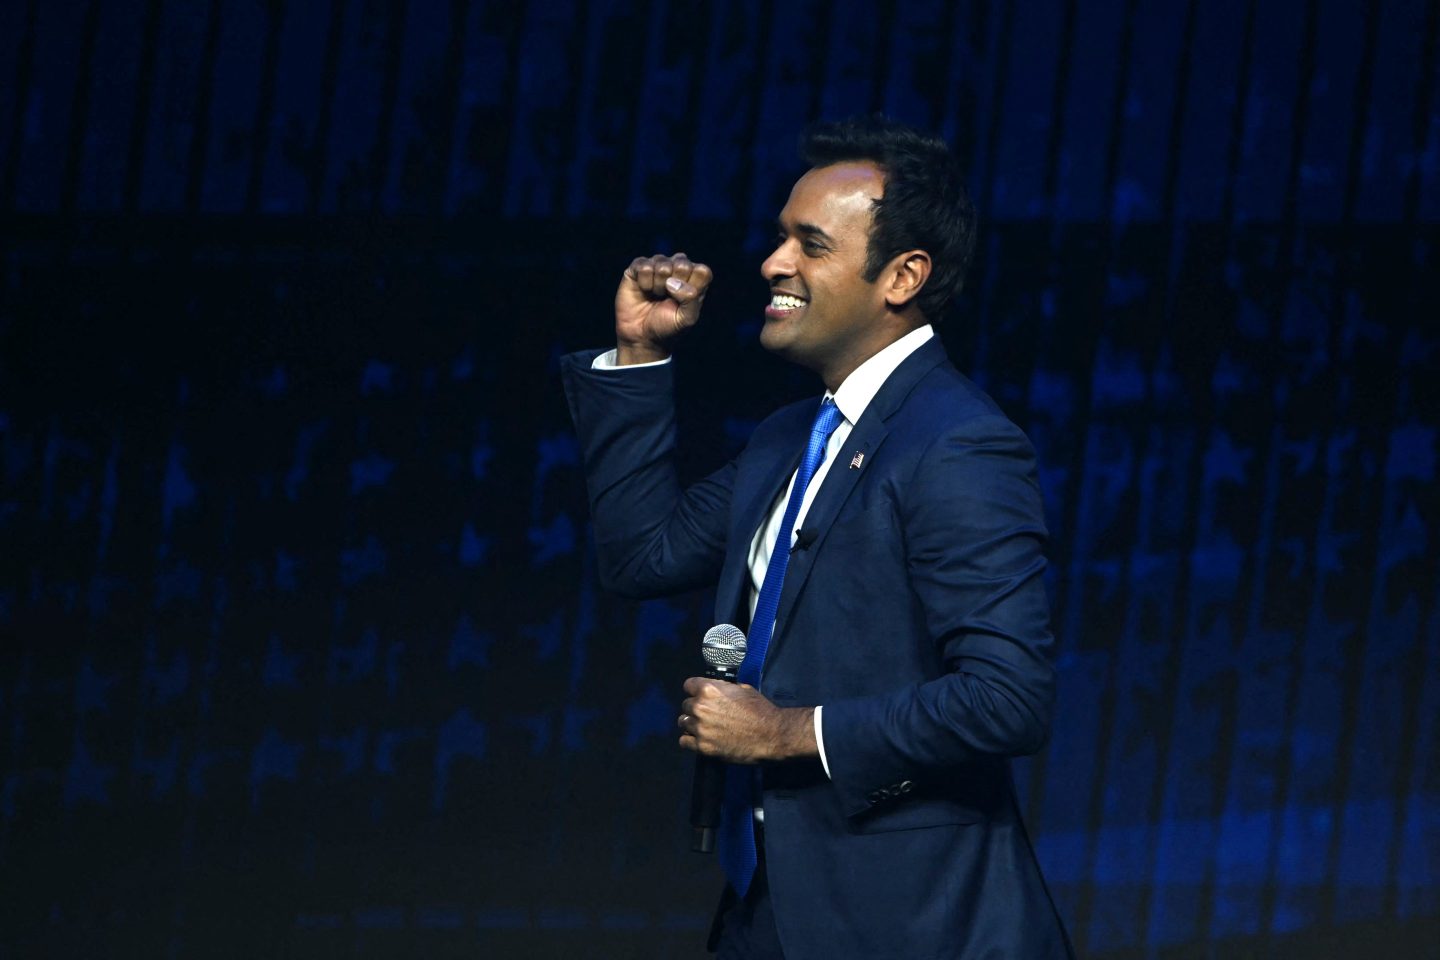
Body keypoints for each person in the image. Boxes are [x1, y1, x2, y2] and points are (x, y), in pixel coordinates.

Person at [561, 116, 1073, 959]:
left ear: (903, 275)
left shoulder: (957, 442)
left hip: (910, 924)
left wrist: (786, 733)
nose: (772, 264)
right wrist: (638, 354)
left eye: (811, 244)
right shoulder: (790, 436)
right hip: (768, 905)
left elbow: (1007, 697)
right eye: (778, 238)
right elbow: (641, 555)